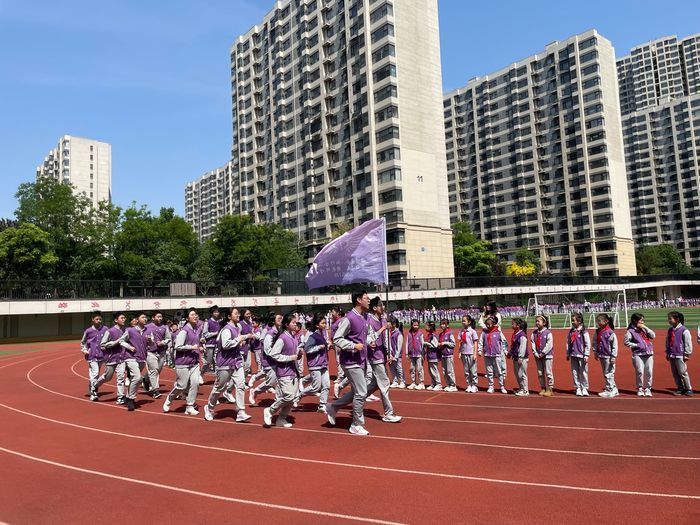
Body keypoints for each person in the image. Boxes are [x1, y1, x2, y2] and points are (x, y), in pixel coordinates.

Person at [326, 291, 373, 436]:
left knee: (357, 391)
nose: (369, 300)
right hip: (351, 361)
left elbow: (365, 336)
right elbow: (338, 339)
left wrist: (369, 342)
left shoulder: (364, 317)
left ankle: (333, 407)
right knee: (361, 392)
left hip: (361, 360)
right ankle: (356, 424)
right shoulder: (349, 318)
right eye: (366, 298)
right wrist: (353, 346)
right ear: (359, 300)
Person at [204, 308, 252, 422]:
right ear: (229, 317)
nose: (238, 315)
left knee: (240, 386)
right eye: (236, 313)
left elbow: (236, 341)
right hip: (224, 363)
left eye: (238, 313)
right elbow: (225, 345)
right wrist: (239, 339)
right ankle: (209, 408)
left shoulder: (237, 327)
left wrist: (242, 340)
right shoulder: (226, 329)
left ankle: (241, 411)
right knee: (219, 388)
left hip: (237, 361)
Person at [263, 313, 304, 428]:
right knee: (288, 396)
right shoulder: (282, 338)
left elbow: (294, 355)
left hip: (293, 371)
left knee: (292, 399)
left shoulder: (294, 337)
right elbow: (274, 354)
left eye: (296, 322)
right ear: (287, 324)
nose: (296, 324)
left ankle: (281, 419)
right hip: (284, 372)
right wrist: (290, 358)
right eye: (293, 322)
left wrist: (299, 355)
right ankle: (270, 411)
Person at [365, 297, 402, 422]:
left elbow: (385, 338)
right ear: (375, 308)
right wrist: (382, 328)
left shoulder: (382, 319)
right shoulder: (370, 321)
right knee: (385, 384)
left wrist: (388, 353)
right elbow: (369, 338)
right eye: (381, 305)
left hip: (381, 356)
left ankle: (352, 399)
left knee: (373, 385)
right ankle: (388, 413)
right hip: (375, 357)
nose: (383, 307)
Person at [163, 308, 204, 416]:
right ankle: (170, 398)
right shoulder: (184, 331)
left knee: (195, 383)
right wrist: (192, 347)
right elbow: (178, 346)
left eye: (196, 314)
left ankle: (190, 406)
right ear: (187, 318)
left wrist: (199, 347)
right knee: (182, 386)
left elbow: (196, 343)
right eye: (192, 315)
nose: (195, 316)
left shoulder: (197, 329)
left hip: (194, 362)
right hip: (183, 363)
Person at [296, 312, 331, 413]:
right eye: (323, 323)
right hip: (315, 364)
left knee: (326, 385)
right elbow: (307, 349)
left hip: (324, 362)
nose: (325, 325)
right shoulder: (311, 335)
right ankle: (300, 394)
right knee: (316, 387)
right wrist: (319, 347)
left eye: (325, 323)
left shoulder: (323, 333)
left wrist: (327, 346)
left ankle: (322, 405)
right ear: (317, 325)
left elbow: (324, 344)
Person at [93, 312, 127, 404]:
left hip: (121, 358)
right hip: (111, 358)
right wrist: (114, 343)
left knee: (121, 378)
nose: (124, 319)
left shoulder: (126, 331)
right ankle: (95, 385)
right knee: (107, 377)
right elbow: (102, 345)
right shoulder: (110, 331)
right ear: (116, 320)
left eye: (124, 318)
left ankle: (120, 397)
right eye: (122, 318)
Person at [250, 313, 282, 406]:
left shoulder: (280, 331)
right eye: (278, 318)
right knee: (270, 382)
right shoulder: (268, 332)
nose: (281, 320)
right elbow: (264, 344)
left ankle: (278, 398)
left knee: (280, 380)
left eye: (281, 318)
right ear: (273, 321)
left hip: (278, 360)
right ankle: (255, 392)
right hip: (269, 360)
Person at [624, 313, 655, 397]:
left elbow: (653, 336)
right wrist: (637, 345)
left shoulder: (644, 329)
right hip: (638, 354)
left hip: (649, 353)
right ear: (635, 321)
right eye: (641, 320)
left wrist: (645, 327)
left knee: (649, 372)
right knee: (640, 372)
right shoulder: (630, 331)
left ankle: (648, 388)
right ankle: (640, 388)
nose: (642, 322)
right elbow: (626, 342)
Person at [80, 311, 107, 400]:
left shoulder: (105, 329)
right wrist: (85, 350)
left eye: (100, 319)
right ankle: (94, 393)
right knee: (95, 374)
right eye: (97, 319)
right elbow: (83, 342)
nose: (99, 321)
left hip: (102, 356)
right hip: (92, 356)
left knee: (96, 374)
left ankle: (91, 387)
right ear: (92, 320)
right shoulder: (88, 331)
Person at [665, 311, 693, 396]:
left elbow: (688, 343)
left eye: (670, 318)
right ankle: (680, 388)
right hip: (672, 354)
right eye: (668, 318)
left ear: (677, 320)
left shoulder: (684, 330)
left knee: (683, 372)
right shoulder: (670, 330)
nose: (669, 320)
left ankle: (688, 388)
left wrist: (687, 354)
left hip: (680, 354)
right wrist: (667, 351)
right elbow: (667, 341)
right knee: (675, 373)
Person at [144, 311, 170, 399]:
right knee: (154, 370)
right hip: (150, 352)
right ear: (153, 318)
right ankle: (155, 390)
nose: (160, 318)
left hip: (161, 352)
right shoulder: (147, 327)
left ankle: (146, 378)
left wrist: (163, 342)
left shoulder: (164, 327)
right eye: (158, 316)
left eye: (161, 317)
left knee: (157, 370)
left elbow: (168, 338)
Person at [477, 316, 507, 394]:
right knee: (489, 371)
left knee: (499, 371)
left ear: (494, 324)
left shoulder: (498, 332)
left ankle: (502, 386)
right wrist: (479, 350)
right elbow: (481, 342)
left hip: (497, 354)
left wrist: (505, 350)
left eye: (489, 324)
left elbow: (504, 342)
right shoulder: (484, 332)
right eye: (486, 324)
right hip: (487, 354)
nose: (487, 326)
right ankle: (491, 386)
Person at [593, 313, 619, 398]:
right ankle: (613, 388)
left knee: (609, 373)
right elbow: (595, 342)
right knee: (606, 373)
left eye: (599, 321)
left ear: (606, 321)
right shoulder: (598, 331)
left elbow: (614, 346)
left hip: (608, 356)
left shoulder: (610, 332)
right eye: (597, 321)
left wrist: (613, 356)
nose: (598, 323)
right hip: (601, 355)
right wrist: (595, 352)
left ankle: (610, 389)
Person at [566, 313, 591, 397]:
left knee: (583, 372)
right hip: (573, 354)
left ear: (579, 321)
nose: (572, 322)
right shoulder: (571, 331)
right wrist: (568, 353)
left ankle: (584, 387)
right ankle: (578, 387)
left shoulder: (583, 331)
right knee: (575, 372)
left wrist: (586, 355)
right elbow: (568, 342)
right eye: (572, 320)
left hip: (582, 355)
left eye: (574, 320)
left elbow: (587, 344)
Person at [531, 315, 554, 396]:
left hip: (547, 355)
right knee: (540, 372)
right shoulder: (534, 333)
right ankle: (543, 387)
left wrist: (543, 353)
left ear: (544, 323)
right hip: (538, 356)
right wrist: (535, 353)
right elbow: (533, 343)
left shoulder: (548, 333)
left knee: (548, 372)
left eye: (538, 321)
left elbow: (549, 344)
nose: (537, 323)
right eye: (536, 321)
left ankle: (550, 388)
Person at [458, 315, 479, 393]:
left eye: (464, 321)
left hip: (471, 353)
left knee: (473, 370)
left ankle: (474, 385)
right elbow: (460, 342)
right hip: (464, 353)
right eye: (462, 321)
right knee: (466, 370)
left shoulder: (472, 331)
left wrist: (475, 354)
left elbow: (475, 342)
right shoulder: (461, 331)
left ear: (469, 322)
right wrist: (460, 352)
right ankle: (469, 384)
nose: (463, 322)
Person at [509, 318, 529, 396]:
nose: (511, 325)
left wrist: (520, 357)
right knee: (517, 374)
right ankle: (521, 387)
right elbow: (514, 345)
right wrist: (510, 353)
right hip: (515, 357)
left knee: (522, 374)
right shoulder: (515, 334)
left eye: (513, 324)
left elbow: (522, 347)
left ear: (518, 325)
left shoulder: (522, 335)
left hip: (521, 358)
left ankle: (525, 390)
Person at [201, 305, 222, 377]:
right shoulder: (208, 322)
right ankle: (201, 374)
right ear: (211, 313)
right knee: (208, 362)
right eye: (215, 312)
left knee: (217, 362)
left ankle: (218, 378)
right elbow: (205, 334)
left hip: (217, 344)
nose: (217, 313)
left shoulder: (219, 322)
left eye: (218, 312)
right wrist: (214, 334)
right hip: (210, 344)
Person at [438, 318, 457, 392]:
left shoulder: (450, 333)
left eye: (444, 324)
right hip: (443, 354)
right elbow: (440, 343)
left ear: (447, 325)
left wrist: (445, 343)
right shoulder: (441, 334)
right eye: (441, 324)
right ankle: (448, 384)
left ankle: (453, 385)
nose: (442, 325)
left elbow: (453, 344)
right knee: (444, 371)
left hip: (449, 354)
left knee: (450, 371)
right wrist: (439, 345)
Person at [247, 316, 266, 387]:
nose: (252, 324)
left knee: (259, 360)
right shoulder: (255, 329)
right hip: (255, 348)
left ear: (257, 323)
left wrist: (253, 334)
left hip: (258, 348)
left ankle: (259, 372)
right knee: (257, 360)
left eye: (253, 323)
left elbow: (258, 337)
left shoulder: (257, 330)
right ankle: (260, 371)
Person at [406, 319, 425, 390]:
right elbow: (407, 343)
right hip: (411, 354)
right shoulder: (409, 334)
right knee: (412, 369)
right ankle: (413, 382)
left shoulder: (420, 334)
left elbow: (423, 344)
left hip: (419, 354)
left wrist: (423, 354)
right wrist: (406, 353)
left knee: (420, 368)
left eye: (417, 325)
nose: (416, 326)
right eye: (414, 325)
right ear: (411, 325)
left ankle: (421, 383)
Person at [388, 317, 406, 388]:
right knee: (392, 368)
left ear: (394, 324)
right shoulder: (390, 332)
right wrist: (389, 354)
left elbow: (399, 346)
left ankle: (402, 381)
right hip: (391, 355)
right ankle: (395, 380)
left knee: (399, 368)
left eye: (389, 322)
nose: (388, 324)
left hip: (397, 356)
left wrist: (396, 356)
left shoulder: (399, 334)